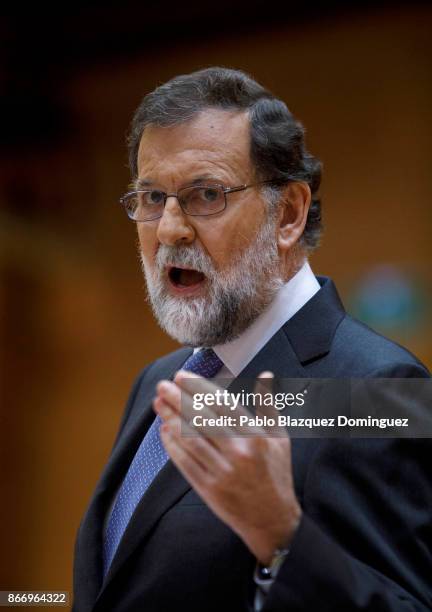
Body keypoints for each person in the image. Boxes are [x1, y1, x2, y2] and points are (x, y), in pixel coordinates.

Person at [72, 67, 431, 611]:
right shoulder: (159, 381)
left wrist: (282, 538)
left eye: (206, 194)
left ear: (287, 214)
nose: (169, 230)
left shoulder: (382, 389)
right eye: (151, 198)